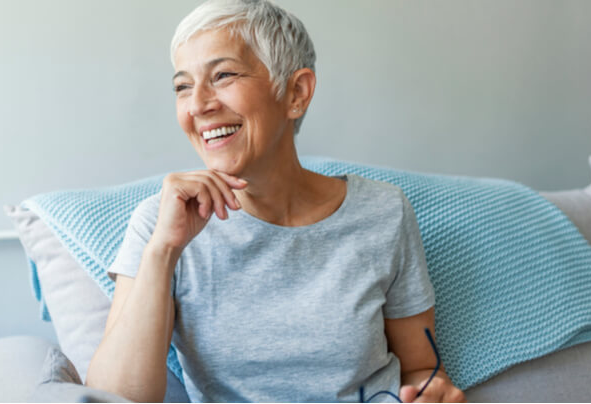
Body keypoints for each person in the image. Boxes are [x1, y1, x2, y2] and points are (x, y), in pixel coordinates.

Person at [86, 0, 466, 402]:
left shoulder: (384, 212)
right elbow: (115, 398)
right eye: (183, 86)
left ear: (296, 93)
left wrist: (433, 393)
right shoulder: (160, 224)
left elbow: (423, 366)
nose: (198, 104)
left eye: (223, 75)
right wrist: (163, 250)